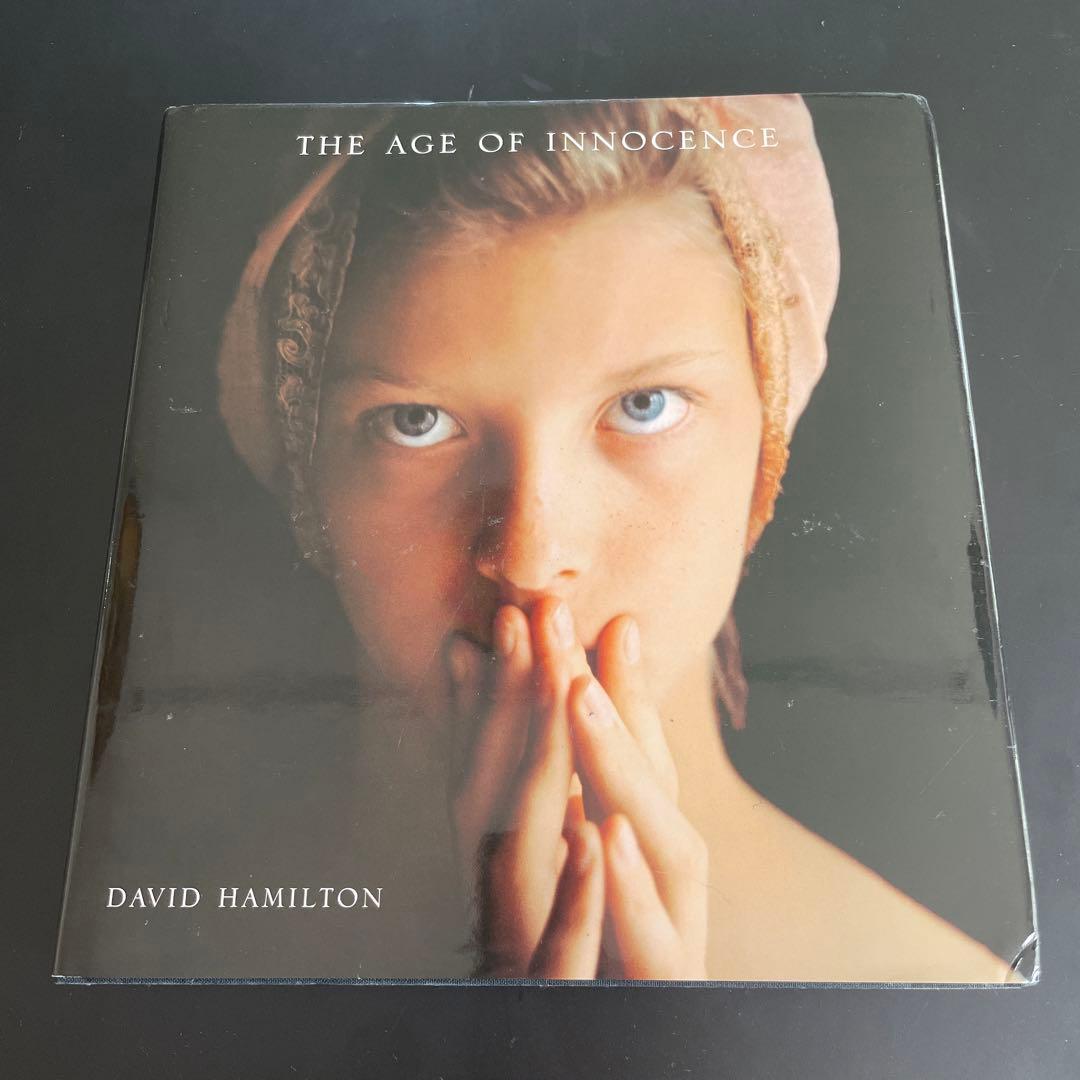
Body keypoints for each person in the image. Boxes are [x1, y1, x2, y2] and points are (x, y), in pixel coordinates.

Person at [218, 95, 1016, 982]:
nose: (530, 558)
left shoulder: (957, 1003)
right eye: (416, 421)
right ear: (304, 464)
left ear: (768, 434)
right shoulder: (164, 957)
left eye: (645, 406)